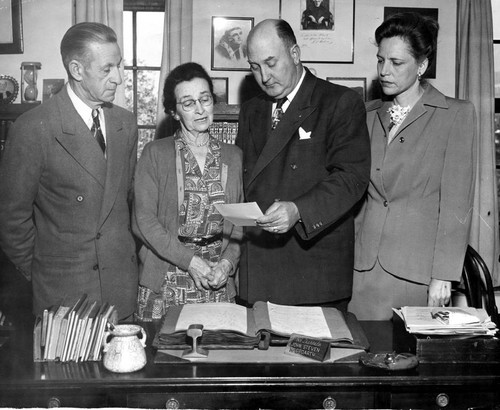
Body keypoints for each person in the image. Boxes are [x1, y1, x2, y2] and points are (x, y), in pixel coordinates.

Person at [0, 22, 139, 320]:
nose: (119, 78)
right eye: (107, 69)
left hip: (121, 290)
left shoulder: (125, 124)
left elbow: (125, 200)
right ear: (76, 70)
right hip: (64, 298)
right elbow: (11, 219)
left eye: (120, 66)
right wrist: (43, 269)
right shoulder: (33, 128)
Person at [349, 13, 476, 320]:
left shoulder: (454, 115)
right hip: (362, 268)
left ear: (422, 66)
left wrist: (443, 276)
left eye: (396, 62)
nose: (384, 71)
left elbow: (456, 205)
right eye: (380, 60)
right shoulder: (366, 115)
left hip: (417, 272)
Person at [236, 19, 370, 310]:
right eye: (255, 67)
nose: (264, 76)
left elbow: (352, 178)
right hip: (258, 270)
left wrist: (298, 210)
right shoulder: (251, 110)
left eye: (271, 63)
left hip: (313, 272)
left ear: (295, 53)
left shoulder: (339, 102)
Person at [132, 62, 243, 321]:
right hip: (167, 279)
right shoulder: (154, 154)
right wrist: (191, 262)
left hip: (217, 280)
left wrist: (227, 264)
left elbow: (240, 223)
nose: (200, 109)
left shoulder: (234, 156)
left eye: (205, 99)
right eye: (188, 103)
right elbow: (143, 222)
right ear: (174, 111)